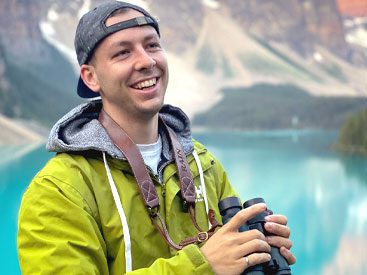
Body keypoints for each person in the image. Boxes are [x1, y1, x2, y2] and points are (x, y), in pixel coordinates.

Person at [17, 1, 296, 274]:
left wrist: (257, 252)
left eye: (152, 45)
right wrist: (202, 266)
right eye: (123, 52)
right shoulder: (58, 190)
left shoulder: (203, 164)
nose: (146, 61)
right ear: (91, 78)